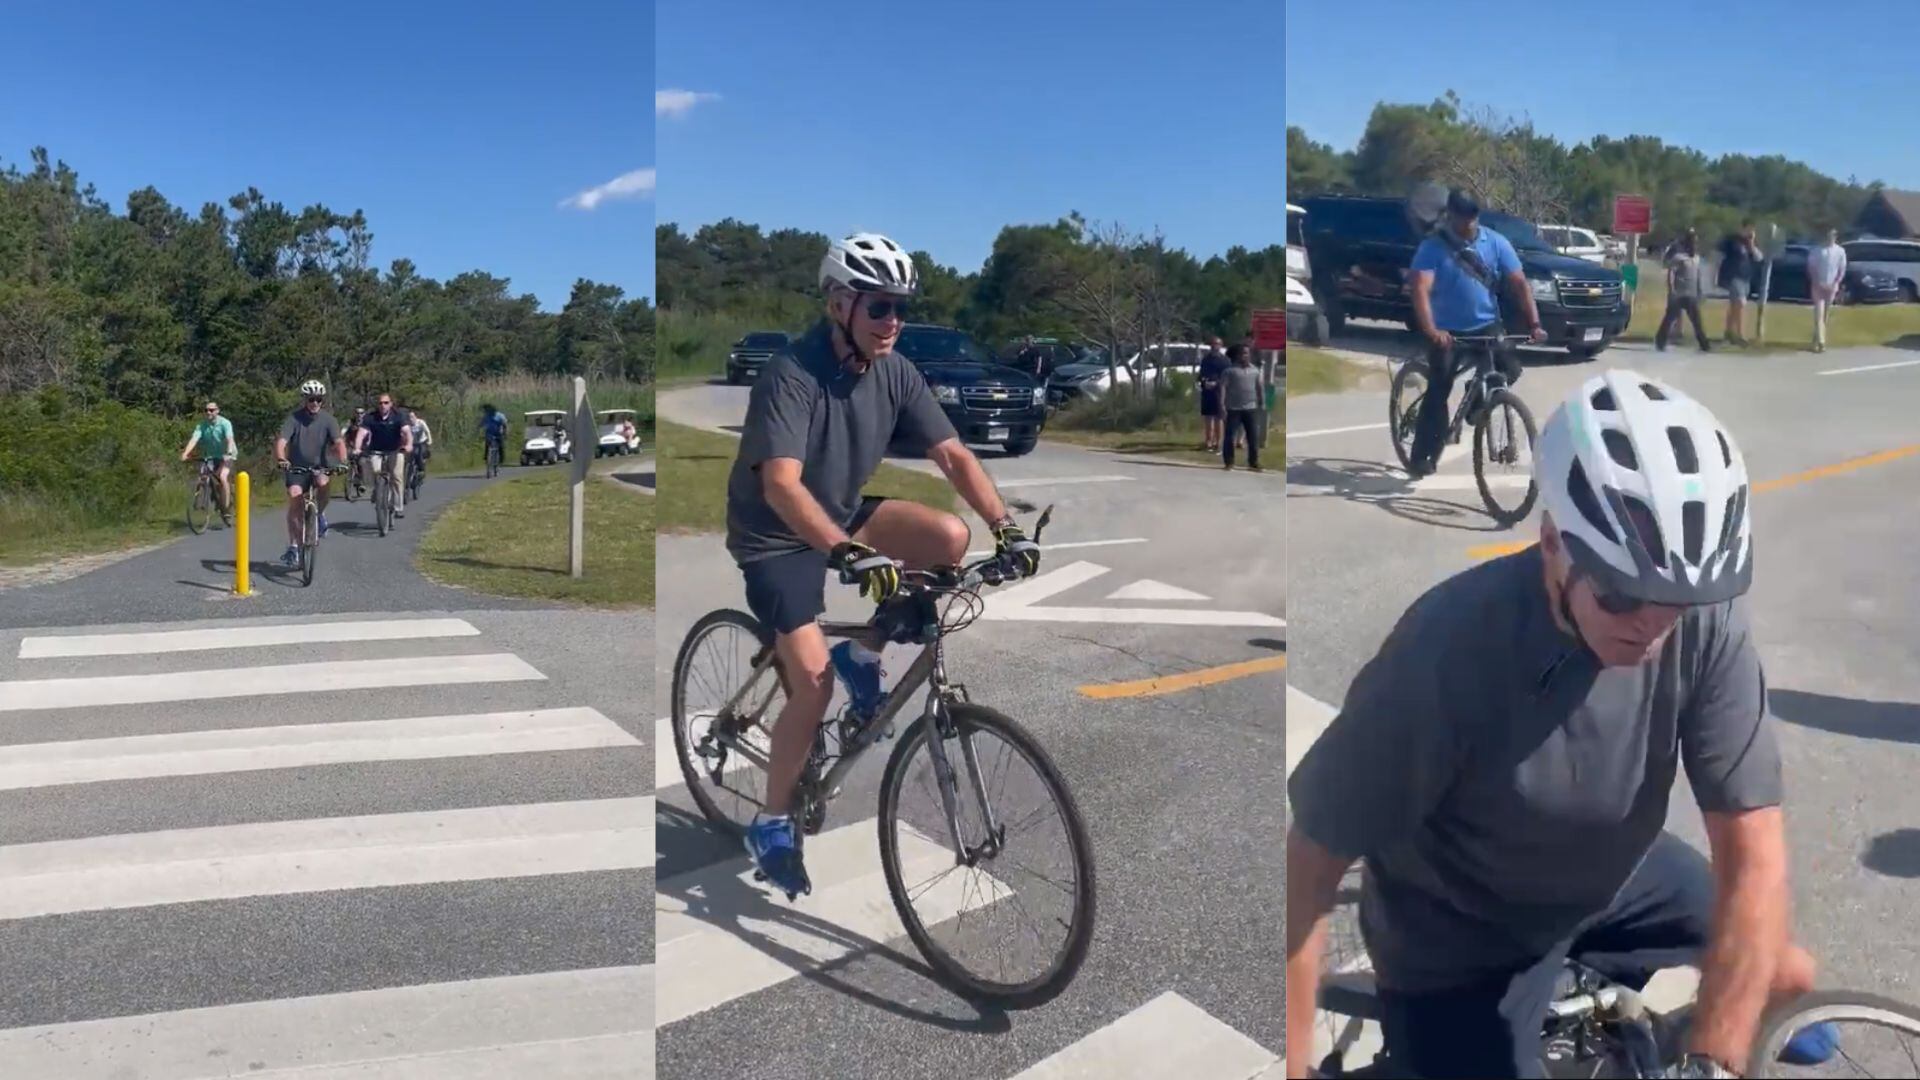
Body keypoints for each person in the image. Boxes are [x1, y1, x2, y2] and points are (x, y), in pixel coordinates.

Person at [1285, 369, 1837, 1079]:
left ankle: (1635, 1047)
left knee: (1784, 973)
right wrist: (1295, 1054)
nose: (1652, 627)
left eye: (1677, 602)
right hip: (1462, 934)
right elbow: (1312, 860)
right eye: (1622, 594)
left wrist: (1715, 1058)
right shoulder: (1446, 648)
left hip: (1614, 871)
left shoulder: (1701, 613)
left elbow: (1754, 845)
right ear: (1553, 543)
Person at [726, 232, 1041, 900]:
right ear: (840, 303)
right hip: (775, 536)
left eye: (899, 306)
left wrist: (1006, 529)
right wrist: (847, 553)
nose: (893, 320)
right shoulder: (793, 374)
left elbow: (954, 456)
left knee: (949, 539)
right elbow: (781, 485)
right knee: (810, 685)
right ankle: (774, 822)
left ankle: (865, 654)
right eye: (879, 307)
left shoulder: (895, 369)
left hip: (839, 513)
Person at [1405, 189, 1546, 478]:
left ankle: (1476, 405)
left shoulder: (1495, 242)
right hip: (1446, 328)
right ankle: (1422, 456)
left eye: (1473, 218)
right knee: (1439, 388)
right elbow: (1420, 288)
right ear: (1450, 215)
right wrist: (1432, 329)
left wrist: (1534, 323)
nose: (1468, 225)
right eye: (1462, 219)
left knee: (1510, 368)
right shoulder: (1434, 246)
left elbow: (1519, 284)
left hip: (1486, 323)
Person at [273, 380, 348, 566]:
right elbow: (282, 441)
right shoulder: (294, 419)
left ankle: (319, 513)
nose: (315, 403)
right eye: (311, 399)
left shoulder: (328, 420)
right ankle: (294, 546)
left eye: (318, 399)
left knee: (323, 483)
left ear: (322, 401)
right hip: (297, 467)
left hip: (320, 465)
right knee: (295, 497)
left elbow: (339, 443)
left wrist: (343, 462)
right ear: (305, 400)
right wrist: (282, 459)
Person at [354, 393, 414, 519]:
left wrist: (409, 445)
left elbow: (407, 432)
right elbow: (361, 433)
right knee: (375, 471)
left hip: (395, 450)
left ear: (391, 404)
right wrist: (357, 448)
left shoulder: (398, 416)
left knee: (397, 477)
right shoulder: (371, 417)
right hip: (376, 450)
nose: (383, 405)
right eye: (380, 403)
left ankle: (398, 507)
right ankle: (378, 490)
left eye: (386, 403)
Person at [178, 400, 238, 525]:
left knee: (222, 477)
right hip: (210, 456)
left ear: (217, 411)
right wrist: (185, 453)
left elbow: (229, 439)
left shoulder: (225, 423)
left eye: (211, 410)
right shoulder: (202, 425)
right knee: (204, 475)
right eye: (206, 410)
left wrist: (228, 453)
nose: (208, 413)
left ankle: (226, 508)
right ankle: (206, 499)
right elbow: (194, 440)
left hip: (227, 455)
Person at [1656, 227, 1712, 353]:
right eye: (1692, 243)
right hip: (1678, 294)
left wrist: (1700, 292)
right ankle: (1660, 342)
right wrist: (1671, 289)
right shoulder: (1679, 258)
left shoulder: (1696, 259)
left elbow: (1698, 277)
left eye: (1695, 243)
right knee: (1669, 319)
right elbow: (1671, 273)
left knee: (1697, 321)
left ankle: (1704, 345)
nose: (1694, 246)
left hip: (1691, 295)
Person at [1220, 344, 1263, 472]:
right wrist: (1221, 405)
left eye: (1247, 353)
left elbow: (1259, 387)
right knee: (1230, 436)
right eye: (1243, 353)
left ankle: (1253, 462)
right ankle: (1229, 462)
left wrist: (1262, 401)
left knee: (1253, 437)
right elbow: (1222, 388)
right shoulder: (1229, 371)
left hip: (1250, 407)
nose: (1246, 355)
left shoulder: (1255, 370)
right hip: (1233, 408)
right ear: (1238, 356)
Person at [1718, 222, 1762, 345]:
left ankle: (1728, 332)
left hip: (1745, 277)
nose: (1749, 232)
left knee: (1735, 306)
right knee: (1741, 303)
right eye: (1747, 229)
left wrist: (1751, 243)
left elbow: (1759, 258)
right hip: (1733, 276)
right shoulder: (1732, 241)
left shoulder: (1750, 243)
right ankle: (1741, 335)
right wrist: (1716, 275)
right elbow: (1719, 256)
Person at [1808, 229, 1848, 354]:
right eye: (1828, 235)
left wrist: (1836, 282)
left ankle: (1816, 339)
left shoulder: (1840, 251)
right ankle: (1821, 342)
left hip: (1832, 287)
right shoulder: (1817, 250)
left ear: (1836, 237)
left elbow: (1842, 269)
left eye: (1833, 235)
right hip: (1818, 286)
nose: (1830, 237)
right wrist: (1816, 282)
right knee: (1818, 314)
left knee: (1825, 315)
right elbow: (1811, 267)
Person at [1197, 337, 1230, 453]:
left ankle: (1218, 442)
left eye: (1216, 344)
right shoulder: (1206, 360)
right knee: (1208, 418)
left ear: (1221, 346)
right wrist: (1204, 382)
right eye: (1212, 344)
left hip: (1219, 392)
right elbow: (1201, 375)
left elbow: (1227, 377)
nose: (1214, 346)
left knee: (1218, 418)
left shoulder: (1225, 361)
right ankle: (1208, 442)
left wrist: (1217, 383)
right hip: (1207, 392)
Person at [408, 407, 433, 484]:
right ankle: (409, 474)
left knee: (420, 454)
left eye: (412, 417)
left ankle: (421, 470)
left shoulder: (421, 423)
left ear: (416, 417)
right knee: (410, 456)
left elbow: (427, 431)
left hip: (422, 441)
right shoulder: (408, 425)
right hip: (413, 443)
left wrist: (430, 440)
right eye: (409, 417)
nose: (411, 419)